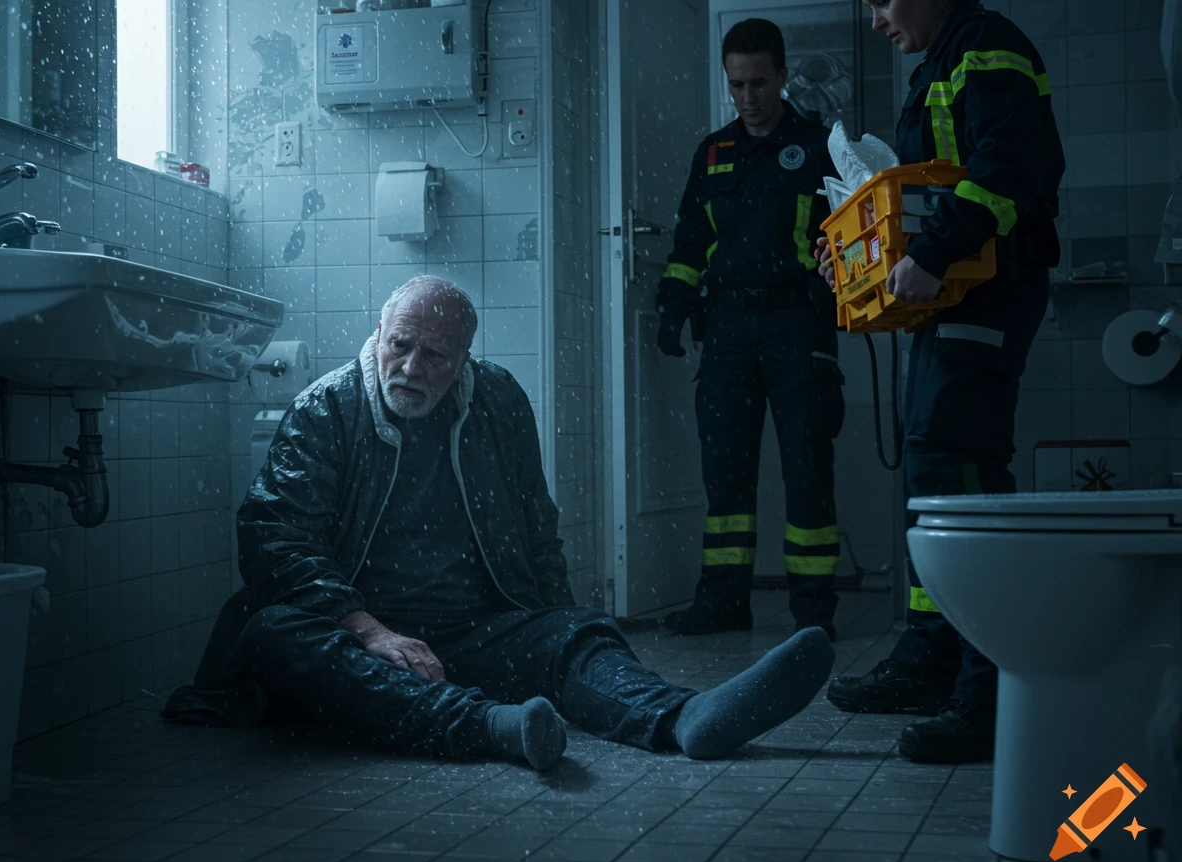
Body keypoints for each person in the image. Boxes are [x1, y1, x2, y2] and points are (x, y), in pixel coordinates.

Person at [162, 275, 836, 770]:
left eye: (435, 356)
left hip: (472, 633)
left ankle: (682, 717)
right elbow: (273, 541)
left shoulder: (500, 403)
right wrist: (370, 631)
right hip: (358, 638)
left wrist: (558, 637)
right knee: (272, 634)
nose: (411, 368)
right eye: (399, 346)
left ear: (464, 363)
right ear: (378, 335)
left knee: (576, 628)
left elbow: (536, 528)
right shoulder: (326, 410)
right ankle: (490, 727)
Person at [816, 0, 1065, 763]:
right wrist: (857, 253)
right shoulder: (943, 59)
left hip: (981, 290)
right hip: (953, 292)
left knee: (960, 474)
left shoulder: (985, 48)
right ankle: (934, 653)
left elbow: (1009, 170)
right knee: (934, 477)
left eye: (883, 2)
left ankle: (986, 693)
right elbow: (922, 191)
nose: (876, 21)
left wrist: (933, 253)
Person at [655, 18, 846, 640]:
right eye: (736, 85)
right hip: (729, 327)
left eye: (759, 82)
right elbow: (691, 239)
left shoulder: (821, 147)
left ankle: (813, 613)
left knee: (807, 467)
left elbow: (850, 239)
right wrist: (674, 303)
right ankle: (724, 602)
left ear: (784, 76)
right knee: (726, 470)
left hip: (798, 321)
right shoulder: (712, 154)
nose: (748, 98)